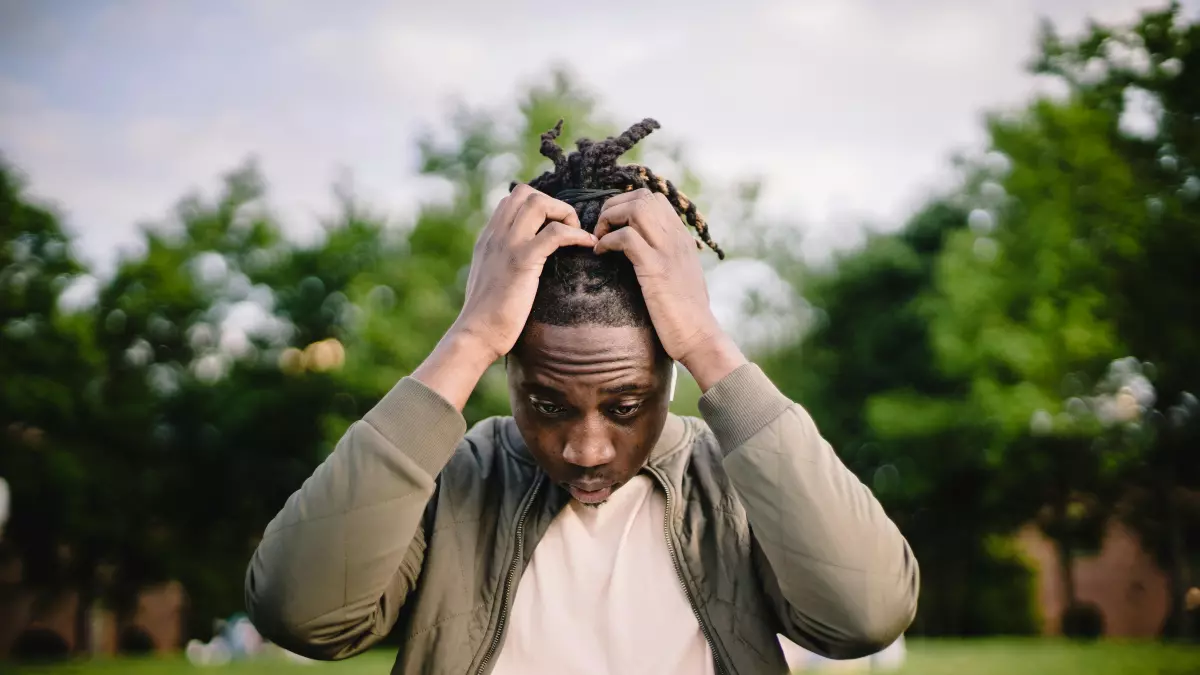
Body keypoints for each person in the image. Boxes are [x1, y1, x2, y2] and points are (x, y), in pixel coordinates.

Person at [244, 119, 919, 674]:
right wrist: (469, 334)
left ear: (671, 372)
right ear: (507, 367)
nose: (585, 448)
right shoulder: (451, 481)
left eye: (625, 406)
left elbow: (865, 613)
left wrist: (709, 340)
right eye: (546, 402)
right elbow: (300, 613)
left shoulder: (738, 482)